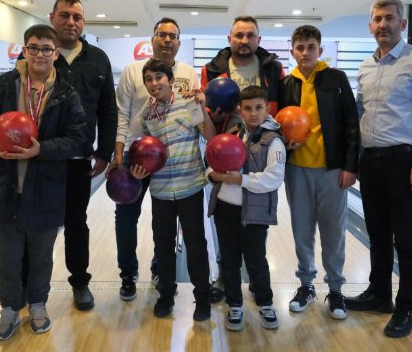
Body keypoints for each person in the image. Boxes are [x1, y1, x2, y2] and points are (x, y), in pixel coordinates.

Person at [0, 24, 87, 341]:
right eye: (34, 48)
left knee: (40, 256)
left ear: (56, 53)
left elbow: (78, 139)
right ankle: (9, 310)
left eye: (46, 49)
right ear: (25, 51)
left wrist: (42, 150)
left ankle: (38, 305)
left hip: (46, 187)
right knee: (7, 256)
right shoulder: (5, 85)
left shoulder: (66, 93)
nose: (40, 54)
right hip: (6, 185)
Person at [349, 0, 412, 338]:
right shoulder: (365, 66)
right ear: (370, 26)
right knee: (377, 233)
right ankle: (379, 293)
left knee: (405, 236)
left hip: (405, 160)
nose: (383, 24)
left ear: (402, 24)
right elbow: (361, 115)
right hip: (372, 160)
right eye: (378, 19)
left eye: (390, 18)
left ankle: (406, 308)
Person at [108, 18, 199, 301]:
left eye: (173, 36)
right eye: (162, 34)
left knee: (165, 221)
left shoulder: (187, 72)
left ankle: (161, 270)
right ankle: (128, 274)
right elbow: (122, 113)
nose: (167, 40)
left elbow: (196, 113)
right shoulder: (133, 71)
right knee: (126, 217)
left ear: (179, 42)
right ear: (153, 39)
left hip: (169, 158)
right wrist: (118, 153)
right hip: (133, 154)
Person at [278, 25, 360, 320]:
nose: (305, 53)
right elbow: (277, 125)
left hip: (332, 170)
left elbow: (351, 124)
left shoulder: (336, 79)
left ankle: (335, 289)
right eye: (300, 48)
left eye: (311, 47)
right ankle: (306, 285)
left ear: (320, 50)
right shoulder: (287, 84)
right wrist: (284, 144)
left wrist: (350, 166)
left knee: (333, 232)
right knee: (302, 231)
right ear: (292, 52)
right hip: (297, 169)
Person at [129, 59, 216, 321]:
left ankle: (202, 298)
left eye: (159, 77)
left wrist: (203, 107)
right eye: (148, 79)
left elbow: (210, 136)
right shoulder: (146, 115)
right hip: (161, 191)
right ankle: (166, 296)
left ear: (170, 80)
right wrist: (139, 171)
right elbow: (145, 155)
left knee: (196, 245)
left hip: (190, 187)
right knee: (163, 247)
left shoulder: (189, 103)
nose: (154, 83)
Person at [48, 0, 118, 311]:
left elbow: (108, 110)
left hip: (79, 158)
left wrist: (104, 152)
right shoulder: (40, 53)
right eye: (65, 15)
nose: (71, 22)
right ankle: (29, 283)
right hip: (42, 158)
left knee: (77, 222)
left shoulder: (98, 58)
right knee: (37, 223)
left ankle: (80, 282)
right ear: (52, 17)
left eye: (77, 17)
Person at [208, 85, 285, 331]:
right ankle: (234, 304)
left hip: (254, 212)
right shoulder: (232, 132)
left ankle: (265, 303)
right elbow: (213, 159)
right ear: (240, 110)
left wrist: (241, 180)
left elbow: (274, 178)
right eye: (248, 108)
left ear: (267, 109)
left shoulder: (274, 141)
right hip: (225, 208)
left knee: (256, 259)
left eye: (258, 108)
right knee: (229, 260)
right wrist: (211, 175)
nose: (253, 113)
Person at [201, 15, 285, 123]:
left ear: (258, 40)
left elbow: (284, 108)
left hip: (266, 132)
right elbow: (205, 109)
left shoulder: (274, 69)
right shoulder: (211, 71)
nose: (244, 41)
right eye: (239, 35)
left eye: (250, 35)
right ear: (229, 39)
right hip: (227, 132)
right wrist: (213, 118)